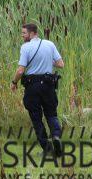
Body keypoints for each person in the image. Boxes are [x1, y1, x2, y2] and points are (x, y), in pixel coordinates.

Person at [11, 23, 64, 156]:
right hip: (48, 85)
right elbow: (60, 64)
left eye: (24, 33)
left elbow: (20, 70)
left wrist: (14, 82)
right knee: (51, 114)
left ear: (32, 33)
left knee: (36, 118)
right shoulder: (50, 44)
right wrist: (46, 61)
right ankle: (56, 136)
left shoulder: (25, 47)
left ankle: (47, 148)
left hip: (33, 87)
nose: (22, 36)